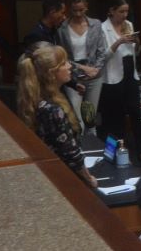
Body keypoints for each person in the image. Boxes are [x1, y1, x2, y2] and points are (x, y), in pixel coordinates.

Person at [16, 43, 99, 187]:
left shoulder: (37, 98)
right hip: (63, 179)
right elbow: (70, 154)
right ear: (51, 73)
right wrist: (89, 179)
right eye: (64, 63)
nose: (69, 66)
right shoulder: (52, 110)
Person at [97, 0, 141, 164]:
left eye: (127, 11)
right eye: (121, 11)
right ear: (111, 11)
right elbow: (101, 57)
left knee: (135, 111)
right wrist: (118, 42)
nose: (125, 15)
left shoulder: (129, 25)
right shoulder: (102, 29)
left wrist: (138, 43)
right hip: (112, 77)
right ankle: (115, 154)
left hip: (130, 74)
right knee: (114, 118)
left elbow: (135, 52)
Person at [60, 0, 105, 128]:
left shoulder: (95, 24)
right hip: (73, 75)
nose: (78, 14)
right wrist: (81, 68)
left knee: (90, 117)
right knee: (77, 119)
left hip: (93, 76)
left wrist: (95, 69)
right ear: (69, 9)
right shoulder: (62, 28)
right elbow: (62, 56)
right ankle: (79, 147)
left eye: (81, 10)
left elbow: (101, 50)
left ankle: (94, 146)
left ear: (86, 6)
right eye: (75, 11)